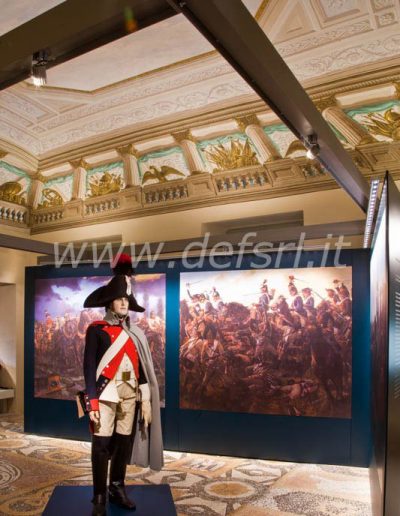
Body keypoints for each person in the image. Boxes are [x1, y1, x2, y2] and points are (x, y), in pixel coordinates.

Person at [83, 254, 163, 516]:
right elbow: (88, 368)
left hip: (130, 398)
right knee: (101, 445)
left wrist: (146, 395)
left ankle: (117, 488)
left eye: (126, 300)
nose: (124, 304)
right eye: (120, 299)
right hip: (106, 396)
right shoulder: (96, 329)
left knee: (123, 445)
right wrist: (92, 402)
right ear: (109, 302)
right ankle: (98, 497)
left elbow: (140, 367)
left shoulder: (134, 333)